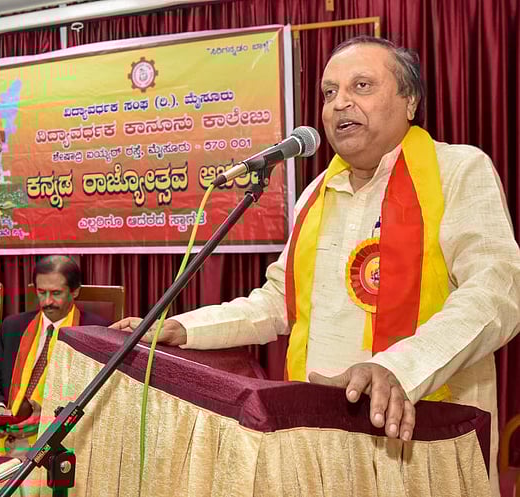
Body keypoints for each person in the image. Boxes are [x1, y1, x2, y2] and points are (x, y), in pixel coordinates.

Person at [111, 36, 520, 494]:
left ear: (409, 102)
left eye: (361, 86)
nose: (340, 103)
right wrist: (180, 328)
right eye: (328, 93)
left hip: (418, 438)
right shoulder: (316, 195)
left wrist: (402, 368)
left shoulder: (458, 170)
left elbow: (496, 293)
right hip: (317, 444)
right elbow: (276, 303)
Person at [0, 256, 111, 456]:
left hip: (62, 443)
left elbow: (100, 400)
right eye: (41, 292)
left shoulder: (96, 332)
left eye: (56, 293)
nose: (47, 302)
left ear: (75, 291)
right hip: (7, 438)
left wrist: (47, 422)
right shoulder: (14, 327)